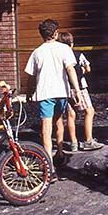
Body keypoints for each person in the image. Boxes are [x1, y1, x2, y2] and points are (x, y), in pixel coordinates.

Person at [24, 19, 82, 167]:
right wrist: (77, 91)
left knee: (46, 127)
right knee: (58, 121)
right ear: (56, 33)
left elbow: (31, 76)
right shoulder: (64, 49)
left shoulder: (37, 52)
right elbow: (70, 69)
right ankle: (60, 152)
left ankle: (48, 161)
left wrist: (29, 92)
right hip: (61, 92)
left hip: (45, 93)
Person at [58, 32, 103, 152]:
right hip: (79, 88)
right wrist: (82, 71)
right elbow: (88, 68)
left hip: (65, 88)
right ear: (71, 43)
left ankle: (73, 143)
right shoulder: (77, 54)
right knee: (89, 111)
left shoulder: (59, 56)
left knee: (70, 115)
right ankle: (88, 140)